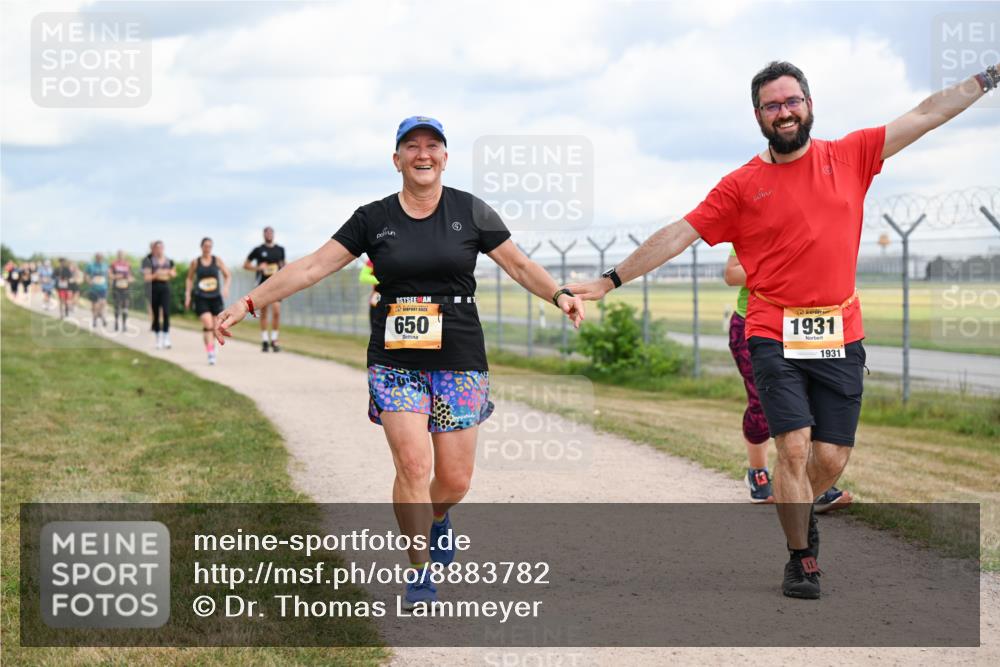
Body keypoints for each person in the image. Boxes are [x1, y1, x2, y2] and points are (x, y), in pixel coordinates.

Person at [568, 61, 998, 600]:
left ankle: (798, 504)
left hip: (840, 329)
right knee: (793, 449)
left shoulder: (852, 154)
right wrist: (610, 280)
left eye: (792, 101)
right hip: (772, 328)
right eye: (772, 105)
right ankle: (801, 557)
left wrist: (989, 77)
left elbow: (928, 112)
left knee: (831, 458)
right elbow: (680, 233)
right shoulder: (741, 185)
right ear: (758, 116)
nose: (785, 112)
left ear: (809, 104)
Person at [215, 115, 584, 609]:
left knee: (454, 480)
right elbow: (310, 267)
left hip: (458, 355)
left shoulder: (471, 211)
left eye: (433, 145)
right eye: (412, 146)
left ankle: (438, 517)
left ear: (445, 158)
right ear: (397, 160)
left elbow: (518, 264)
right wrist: (248, 303)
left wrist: (558, 294)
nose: (422, 154)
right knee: (412, 463)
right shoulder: (372, 218)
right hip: (395, 358)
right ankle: (419, 572)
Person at [725, 248, 854, 511]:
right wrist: (783, 268)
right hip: (756, 324)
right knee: (762, 402)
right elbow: (731, 274)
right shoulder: (757, 216)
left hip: (808, 324)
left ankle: (812, 484)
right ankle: (758, 473)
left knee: (809, 405)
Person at [185, 238, 231, 365]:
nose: (207, 248)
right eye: (205, 246)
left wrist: (226, 288)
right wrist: (188, 295)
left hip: (215, 298)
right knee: (208, 325)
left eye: (210, 246)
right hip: (201, 297)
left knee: (216, 327)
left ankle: (211, 346)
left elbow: (228, 275)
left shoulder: (217, 260)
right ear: (201, 247)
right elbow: (189, 279)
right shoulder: (195, 262)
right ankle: (210, 352)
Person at [244, 227, 286, 352]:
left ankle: (274, 340)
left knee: (277, 311)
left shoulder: (280, 249)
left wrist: (283, 267)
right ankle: (264, 340)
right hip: (262, 285)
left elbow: (283, 264)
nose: (269, 235)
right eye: (267, 233)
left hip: (277, 285)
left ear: (273, 234)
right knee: (264, 313)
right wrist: (258, 268)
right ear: (263, 235)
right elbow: (245, 265)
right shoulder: (258, 250)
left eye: (271, 232)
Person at [142, 241, 176, 349]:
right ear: (154, 249)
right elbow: (146, 278)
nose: (159, 250)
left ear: (163, 248)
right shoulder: (149, 261)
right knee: (156, 314)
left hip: (165, 288)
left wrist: (169, 273)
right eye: (157, 248)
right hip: (154, 288)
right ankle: (158, 339)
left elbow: (174, 274)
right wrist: (156, 274)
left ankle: (166, 337)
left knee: (166, 313)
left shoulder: (169, 261)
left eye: (161, 248)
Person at [85, 252, 110, 329]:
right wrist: (89, 281)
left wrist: (109, 284)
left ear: (102, 258)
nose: (99, 259)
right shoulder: (90, 265)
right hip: (94, 288)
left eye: (101, 257)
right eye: (98, 257)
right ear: (96, 258)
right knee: (94, 305)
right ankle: (95, 319)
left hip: (103, 288)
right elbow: (86, 275)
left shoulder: (105, 265)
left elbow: (108, 275)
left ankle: (101, 315)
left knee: (103, 303)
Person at [110, 251, 133, 332]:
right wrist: (118, 276)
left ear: (124, 256)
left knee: (125, 306)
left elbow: (131, 276)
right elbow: (110, 275)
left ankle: (124, 325)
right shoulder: (113, 264)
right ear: (117, 255)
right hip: (117, 287)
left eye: (122, 255)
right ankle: (116, 322)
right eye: (119, 255)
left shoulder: (128, 264)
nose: (121, 256)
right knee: (117, 306)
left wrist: (130, 279)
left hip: (125, 288)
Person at [359, 256, 380, 332]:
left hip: (398, 297)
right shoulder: (373, 258)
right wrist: (382, 280)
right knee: (375, 329)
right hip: (378, 296)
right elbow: (363, 277)